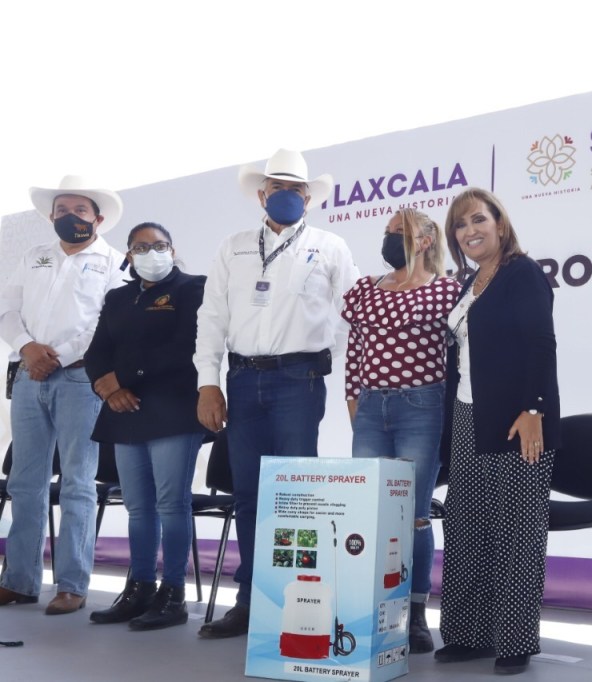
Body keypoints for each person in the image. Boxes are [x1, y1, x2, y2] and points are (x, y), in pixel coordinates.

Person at [193, 148, 359, 638]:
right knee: (248, 495)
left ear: (308, 198)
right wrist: (208, 382)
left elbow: (351, 316)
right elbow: (212, 316)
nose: (285, 195)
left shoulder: (330, 246)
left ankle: (294, 604)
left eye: (295, 189)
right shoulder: (234, 246)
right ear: (261, 195)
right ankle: (250, 601)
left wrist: (338, 369)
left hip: (299, 381)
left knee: (296, 498)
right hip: (242, 380)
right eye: (277, 187)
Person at [432, 188, 559, 676]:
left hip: (516, 418)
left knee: (516, 531)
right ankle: (469, 635)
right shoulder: (470, 283)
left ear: (500, 224)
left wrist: (534, 408)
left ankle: (515, 640)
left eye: (478, 220)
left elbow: (540, 343)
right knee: (467, 527)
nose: (470, 231)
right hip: (468, 416)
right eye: (460, 225)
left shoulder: (521, 272)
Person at [0, 176, 124, 614]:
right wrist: (27, 348)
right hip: (28, 376)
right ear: (51, 217)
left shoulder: (114, 263)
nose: (70, 217)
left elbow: (107, 324)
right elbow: (7, 309)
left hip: (79, 380)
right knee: (25, 481)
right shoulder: (34, 256)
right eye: (62, 211)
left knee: (77, 482)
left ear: (98, 219)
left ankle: (72, 584)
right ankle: (19, 580)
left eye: (79, 211)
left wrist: (59, 356)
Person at [343, 208, 460, 654]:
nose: (390, 238)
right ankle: (376, 608)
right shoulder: (365, 289)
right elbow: (355, 352)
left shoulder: (446, 290)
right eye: (388, 231)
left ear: (426, 240)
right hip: (371, 407)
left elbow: (458, 355)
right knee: (371, 511)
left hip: (422, 406)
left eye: (401, 232)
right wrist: (354, 402)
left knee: (413, 514)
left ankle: (415, 612)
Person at [85, 222, 210, 630]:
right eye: (141, 247)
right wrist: (107, 387)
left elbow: (186, 346)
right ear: (129, 255)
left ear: (172, 250)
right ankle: (138, 588)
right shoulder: (118, 297)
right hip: (125, 411)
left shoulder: (192, 287)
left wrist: (123, 379)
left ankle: (173, 594)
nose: (151, 252)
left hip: (174, 408)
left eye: (159, 245)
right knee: (137, 507)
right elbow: (97, 352)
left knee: (171, 504)